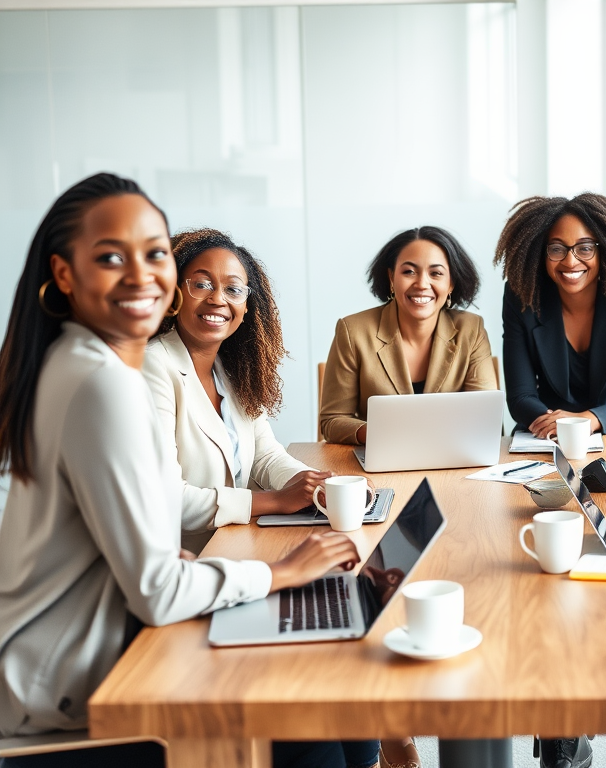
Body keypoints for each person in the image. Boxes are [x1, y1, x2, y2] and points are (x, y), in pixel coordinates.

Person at [0, 174, 365, 768]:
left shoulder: (75, 360)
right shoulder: (104, 382)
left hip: (84, 650)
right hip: (71, 696)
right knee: (312, 712)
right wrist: (283, 574)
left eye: (154, 253)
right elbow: (158, 593)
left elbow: (140, 555)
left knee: (327, 685)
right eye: (111, 257)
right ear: (65, 274)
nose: (140, 274)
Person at [143, 229, 330, 555]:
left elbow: (266, 456)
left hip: (234, 545)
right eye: (201, 284)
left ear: (246, 308)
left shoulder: (232, 371)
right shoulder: (153, 367)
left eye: (233, 289)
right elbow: (167, 499)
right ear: (173, 293)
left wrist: (320, 487)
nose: (218, 299)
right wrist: (275, 500)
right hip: (181, 563)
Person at [495, 193, 606, 439]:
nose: (570, 261)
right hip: (548, 428)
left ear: (605, 249)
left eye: (585, 248)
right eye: (556, 248)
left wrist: (587, 420)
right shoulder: (522, 296)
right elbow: (521, 397)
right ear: (541, 253)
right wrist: (558, 426)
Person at [320, 226, 497, 445]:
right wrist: (378, 434)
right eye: (409, 271)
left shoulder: (472, 329)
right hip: (381, 462)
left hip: (450, 460)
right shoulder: (352, 331)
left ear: (451, 283)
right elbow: (332, 421)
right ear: (391, 278)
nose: (422, 284)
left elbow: (486, 416)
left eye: (436, 273)